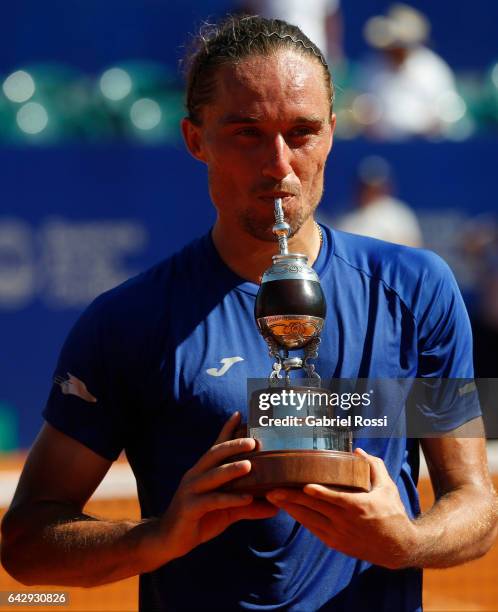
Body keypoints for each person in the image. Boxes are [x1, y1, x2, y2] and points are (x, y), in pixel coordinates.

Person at [1, 15, 497, 612]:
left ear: (334, 134)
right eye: (246, 133)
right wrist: (159, 537)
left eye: (303, 131)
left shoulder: (420, 289)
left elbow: (476, 505)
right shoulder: (126, 320)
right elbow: (27, 542)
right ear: (195, 139)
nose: (279, 164)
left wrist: (406, 541)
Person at [336, 155, 423, 247]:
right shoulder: (348, 218)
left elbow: (412, 249)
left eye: (375, 189)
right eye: (366, 188)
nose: (369, 193)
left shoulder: (397, 214)